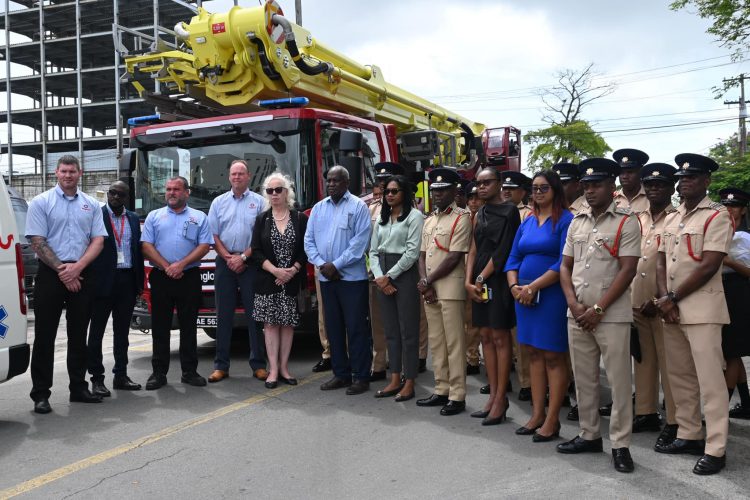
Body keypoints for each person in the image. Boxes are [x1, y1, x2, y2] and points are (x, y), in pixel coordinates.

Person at [557, 158, 640, 474]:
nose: (590, 190)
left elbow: (628, 269)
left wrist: (598, 309)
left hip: (612, 315)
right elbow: (565, 266)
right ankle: (589, 434)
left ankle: (620, 444)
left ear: (612, 186)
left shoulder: (626, 222)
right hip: (577, 314)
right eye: (587, 185)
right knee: (585, 378)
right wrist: (575, 306)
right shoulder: (577, 221)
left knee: (619, 383)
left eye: (597, 184)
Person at [654, 153, 733, 475]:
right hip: (671, 308)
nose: (684, 181)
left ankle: (716, 447)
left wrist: (672, 297)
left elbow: (710, 264)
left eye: (692, 176)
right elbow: (660, 259)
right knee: (680, 377)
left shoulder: (718, 216)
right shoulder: (672, 218)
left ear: (706, 181)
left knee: (710, 381)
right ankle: (689, 434)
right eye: (682, 177)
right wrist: (664, 298)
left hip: (702, 309)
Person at [26, 155, 107, 414]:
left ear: (79, 173)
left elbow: (98, 241)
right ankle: (41, 394)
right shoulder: (41, 202)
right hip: (52, 274)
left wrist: (77, 268)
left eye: (72, 171)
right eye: (63, 171)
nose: (68, 175)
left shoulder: (92, 204)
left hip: (82, 272)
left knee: (78, 334)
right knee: (45, 336)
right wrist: (63, 271)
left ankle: (78, 388)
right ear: (56, 174)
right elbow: (37, 241)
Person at [505, 170, 573, 442]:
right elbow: (513, 257)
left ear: (556, 190)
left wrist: (533, 287)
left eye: (544, 188)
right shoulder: (528, 221)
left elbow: (563, 262)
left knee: (553, 356)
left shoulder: (567, 220)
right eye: (534, 188)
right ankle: (536, 414)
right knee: (532, 353)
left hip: (551, 296)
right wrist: (514, 287)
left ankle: (553, 419)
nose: (538, 193)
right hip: (523, 296)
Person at [304, 166, 373, 395]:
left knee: (356, 329)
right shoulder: (318, 209)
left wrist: (337, 265)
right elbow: (309, 241)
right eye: (329, 180)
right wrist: (322, 264)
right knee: (333, 328)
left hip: (352, 279)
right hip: (327, 278)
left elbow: (360, 243)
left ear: (347, 182)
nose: (331, 183)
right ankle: (341, 374)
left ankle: (361, 376)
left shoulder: (358, 207)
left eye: (336, 180)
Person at [141, 176, 213, 390]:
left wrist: (180, 265)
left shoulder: (199, 217)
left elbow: (204, 246)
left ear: (186, 193)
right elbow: (146, 246)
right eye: (168, 189)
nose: (171, 193)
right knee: (160, 326)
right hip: (161, 277)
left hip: (188, 277)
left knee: (189, 326)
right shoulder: (155, 216)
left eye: (176, 189)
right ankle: (158, 373)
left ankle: (189, 372)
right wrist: (167, 266)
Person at [465, 167, 520, 425]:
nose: (482, 187)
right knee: (485, 335)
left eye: (488, 182)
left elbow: (503, 251)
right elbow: (473, 248)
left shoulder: (510, 212)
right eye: (479, 183)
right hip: (478, 281)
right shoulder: (480, 212)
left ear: (499, 183)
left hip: (496, 279)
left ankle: (501, 397)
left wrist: (479, 279)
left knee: (499, 335)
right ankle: (492, 397)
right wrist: (468, 281)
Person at [206, 159, 268, 384]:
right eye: (234, 174)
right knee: (223, 314)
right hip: (225, 262)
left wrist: (243, 257)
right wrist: (229, 258)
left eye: (241, 174)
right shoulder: (218, 202)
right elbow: (213, 235)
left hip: (251, 262)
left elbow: (262, 236)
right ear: (229, 177)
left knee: (255, 315)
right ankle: (221, 366)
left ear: (249, 176)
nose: (237, 177)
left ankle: (259, 365)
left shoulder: (260, 202)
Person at [417, 168, 472, 415]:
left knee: (454, 343)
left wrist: (427, 281)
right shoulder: (429, 220)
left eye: (443, 190)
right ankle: (441, 389)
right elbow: (421, 254)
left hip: (449, 287)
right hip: (430, 287)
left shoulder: (462, 218)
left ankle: (457, 394)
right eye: (434, 190)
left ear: (454, 191)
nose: (437, 194)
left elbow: (454, 257)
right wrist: (425, 282)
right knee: (437, 342)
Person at [631, 165, 678, 443]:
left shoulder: (677, 218)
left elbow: (675, 264)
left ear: (671, 188)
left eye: (660, 185)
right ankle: (646, 412)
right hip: (636, 300)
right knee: (643, 361)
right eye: (649, 185)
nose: (653, 190)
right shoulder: (638, 219)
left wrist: (659, 299)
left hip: (664, 303)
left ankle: (674, 420)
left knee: (670, 365)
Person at [87, 181, 145, 396]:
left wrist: (139, 283)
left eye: (120, 194)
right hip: (102, 283)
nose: (115, 197)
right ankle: (97, 378)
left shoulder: (131, 218)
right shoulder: (97, 216)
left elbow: (136, 250)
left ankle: (120, 375)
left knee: (122, 333)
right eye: (112, 193)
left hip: (127, 281)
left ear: (126, 197)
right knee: (97, 332)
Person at [251, 172, 308, 389]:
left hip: (291, 281)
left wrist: (292, 270)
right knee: (271, 324)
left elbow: (306, 249)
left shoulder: (300, 218)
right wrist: (275, 271)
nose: (274, 194)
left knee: (288, 324)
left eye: (278, 190)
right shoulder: (261, 219)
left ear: (287, 193)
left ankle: (284, 368)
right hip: (268, 281)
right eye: (270, 191)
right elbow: (256, 252)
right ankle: (273, 370)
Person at [370, 174, 423, 401]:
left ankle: (409, 381)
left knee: (408, 331)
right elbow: (372, 251)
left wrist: (388, 276)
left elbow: (412, 252)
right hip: (382, 273)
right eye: (387, 192)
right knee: (390, 330)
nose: (389, 195)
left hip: (403, 274)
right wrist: (381, 277)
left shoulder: (414, 216)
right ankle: (394, 378)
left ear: (404, 193)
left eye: (394, 191)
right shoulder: (381, 218)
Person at [368, 162, 403, 382]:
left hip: (400, 272)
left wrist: (390, 275)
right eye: (381, 181)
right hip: (377, 272)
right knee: (378, 322)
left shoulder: (409, 208)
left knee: (403, 321)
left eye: (387, 180)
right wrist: (376, 273)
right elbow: (369, 245)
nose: (383, 184)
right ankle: (379, 364)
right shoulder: (372, 208)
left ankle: (407, 362)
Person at [719, 188, 750, 419]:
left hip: (739, 292)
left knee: (730, 352)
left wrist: (727, 260)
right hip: (722, 291)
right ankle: (747, 403)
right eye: (726, 205)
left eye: (735, 206)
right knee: (733, 351)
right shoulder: (719, 232)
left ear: (743, 210)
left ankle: (720, 409)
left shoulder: (746, 237)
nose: (729, 209)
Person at [501, 170, 532, 401]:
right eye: (504, 188)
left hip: (520, 280)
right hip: (499, 278)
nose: (506, 192)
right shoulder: (493, 210)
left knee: (520, 332)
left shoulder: (528, 215)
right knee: (502, 332)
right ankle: (504, 380)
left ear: (523, 192)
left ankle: (526, 382)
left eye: (512, 189)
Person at [464, 182, 483, 375]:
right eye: (470, 197)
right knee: (464, 320)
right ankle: (469, 356)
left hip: (479, 271)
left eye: (476, 197)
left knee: (474, 321)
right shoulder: (463, 217)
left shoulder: (485, 217)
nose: (473, 201)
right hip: (461, 271)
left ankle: (473, 359)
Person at [613, 148, 650, 214]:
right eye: (621, 173)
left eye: (630, 172)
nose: (625, 176)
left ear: (640, 173)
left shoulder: (651, 197)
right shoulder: (612, 199)